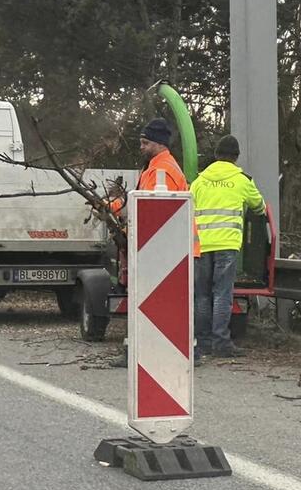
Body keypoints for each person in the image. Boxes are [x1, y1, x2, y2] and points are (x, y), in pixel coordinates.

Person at [107, 118, 198, 368]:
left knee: (145, 303)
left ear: (159, 143)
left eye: (145, 142)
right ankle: (179, 351)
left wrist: (131, 231)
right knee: (164, 305)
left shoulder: (162, 171)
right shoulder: (157, 167)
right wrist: (112, 209)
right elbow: (138, 204)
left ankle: (138, 353)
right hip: (167, 249)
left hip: (164, 250)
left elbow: (157, 214)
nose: (141, 147)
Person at [190, 134, 266, 361]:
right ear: (236, 157)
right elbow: (259, 206)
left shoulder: (199, 181)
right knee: (222, 294)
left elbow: (186, 205)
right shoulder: (242, 180)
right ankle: (221, 343)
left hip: (201, 245)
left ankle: (202, 343)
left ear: (215, 155)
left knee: (202, 295)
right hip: (227, 245)